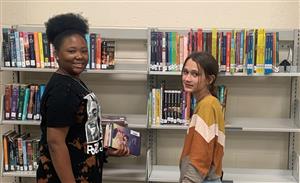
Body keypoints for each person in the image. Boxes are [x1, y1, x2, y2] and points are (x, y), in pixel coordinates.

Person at [36, 13, 128, 183]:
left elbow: (79, 134)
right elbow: (55, 144)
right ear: (56, 53)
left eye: (84, 51)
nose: (79, 56)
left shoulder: (73, 81)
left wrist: (104, 150)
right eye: (71, 51)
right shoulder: (62, 90)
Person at [179, 52, 225, 183]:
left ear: (209, 80)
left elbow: (201, 154)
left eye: (195, 74)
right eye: (185, 72)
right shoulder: (210, 102)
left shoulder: (207, 105)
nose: (187, 78)